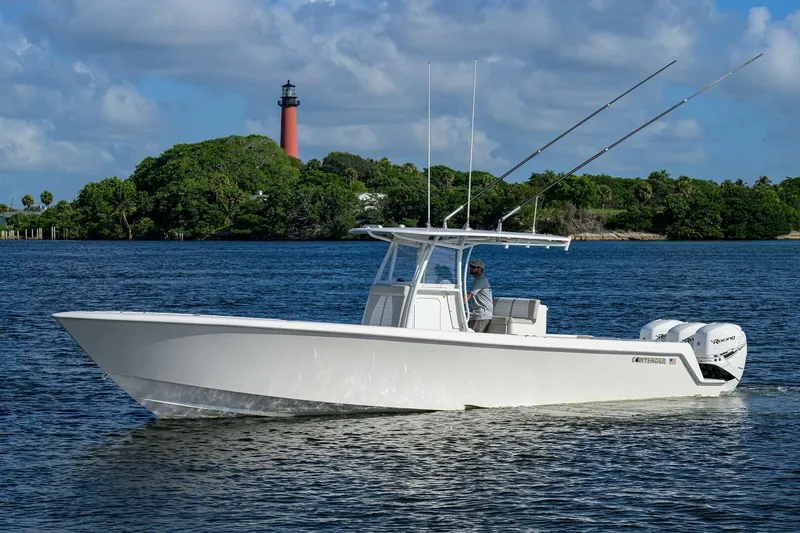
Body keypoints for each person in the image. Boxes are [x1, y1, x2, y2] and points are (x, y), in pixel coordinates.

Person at [464, 258, 493, 332]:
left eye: (473, 267)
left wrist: (455, 305)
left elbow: (468, 296)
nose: (471, 268)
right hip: (477, 314)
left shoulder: (481, 280)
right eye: (470, 266)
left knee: (474, 339)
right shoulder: (477, 279)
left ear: (480, 269)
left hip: (481, 316)